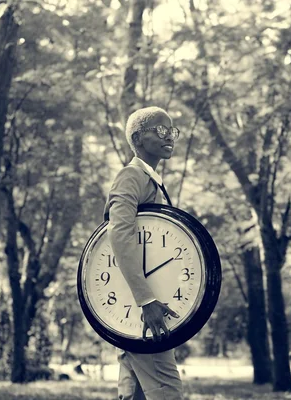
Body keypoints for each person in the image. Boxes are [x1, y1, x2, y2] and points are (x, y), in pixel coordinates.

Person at [103, 106, 184, 400]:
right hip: (141, 308)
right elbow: (118, 232)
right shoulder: (130, 176)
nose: (169, 137)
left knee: (133, 393)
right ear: (138, 138)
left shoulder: (151, 180)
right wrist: (146, 299)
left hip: (139, 308)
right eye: (160, 130)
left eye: (171, 131)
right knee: (167, 390)